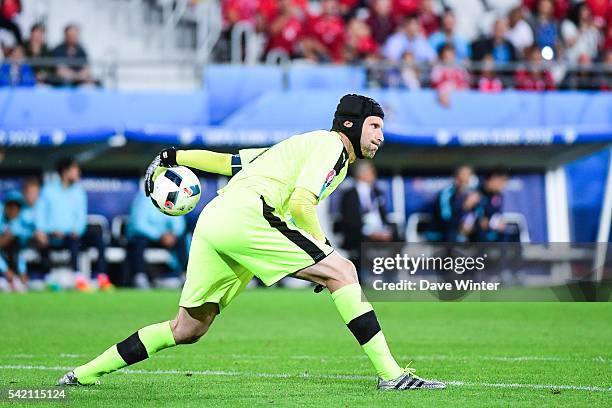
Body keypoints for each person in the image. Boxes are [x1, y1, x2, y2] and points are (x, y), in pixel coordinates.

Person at [58, 94, 446, 390]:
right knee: (343, 271)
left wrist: (172, 155)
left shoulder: (298, 147)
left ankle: (83, 374)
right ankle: (391, 375)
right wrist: (324, 248)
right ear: (351, 124)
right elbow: (300, 201)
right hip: (248, 215)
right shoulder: (330, 146)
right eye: (375, 126)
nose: (381, 136)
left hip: (215, 219)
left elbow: (228, 164)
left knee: (187, 329)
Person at [35, 157, 110, 290]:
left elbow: (81, 216)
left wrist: (77, 230)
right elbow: (40, 215)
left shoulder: (79, 191)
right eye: (75, 169)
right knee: (48, 240)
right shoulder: (48, 190)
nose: (78, 173)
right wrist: (46, 230)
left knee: (97, 238)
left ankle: (101, 277)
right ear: (65, 172)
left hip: (73, 234)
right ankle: (73, 277)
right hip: (52, 235)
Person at [336, 161, 395, 278]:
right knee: (358, 239)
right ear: (361, 174)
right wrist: (370, 232)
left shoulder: (378, 193)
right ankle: (361, 278)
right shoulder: (349, 195)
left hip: (380, 232)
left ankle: (390, 278)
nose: (374, 175)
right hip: (358, 233)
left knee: (397, 237)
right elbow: (349, 221)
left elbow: (384, 217)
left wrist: (385, 231)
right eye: (371, 172)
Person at [125, 189, 187, 288]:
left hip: (165, 238)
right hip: (146, 236)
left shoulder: (171, 197)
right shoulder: (144, 198)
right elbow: (139, 224)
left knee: (181, 240)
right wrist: (159, 235)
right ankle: (140, 276)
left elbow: (178, 222)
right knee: (139, 241)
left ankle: (184, 275)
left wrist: (173, 234)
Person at [431, 166, 477, 242]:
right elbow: (445, 217)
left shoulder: (472, 194)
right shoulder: (446, 193)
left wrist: (470, 224)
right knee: (451, 234)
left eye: (468, 176)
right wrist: (464, 207)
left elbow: (475, 214)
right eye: (463, 176)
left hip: (466, 229)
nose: (466, 179)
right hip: (446, 229)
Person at [0, 191, 28, 291]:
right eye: (11, 206)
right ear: (5, 206)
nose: (14, 210)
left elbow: (20, 251)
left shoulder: (18, 223)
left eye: (17, 207)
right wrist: (5, 270)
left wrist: (22, 271)